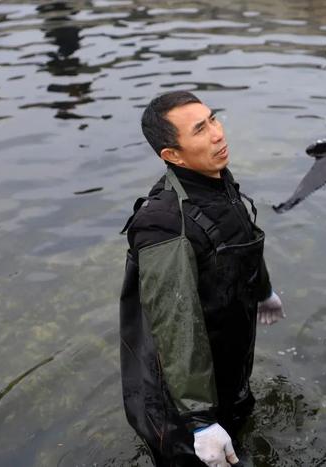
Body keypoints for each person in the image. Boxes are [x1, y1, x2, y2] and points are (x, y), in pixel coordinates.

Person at [119, 91, 284, 466]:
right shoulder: (163, 225)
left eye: (213, 119)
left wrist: (263, 290)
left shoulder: (215, 180)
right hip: (180, 406)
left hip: (224, 367)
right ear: (172, 156)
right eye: (200, 129)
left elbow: (241, 237)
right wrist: (199, 420)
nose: (217, 134)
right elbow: (176, 324)